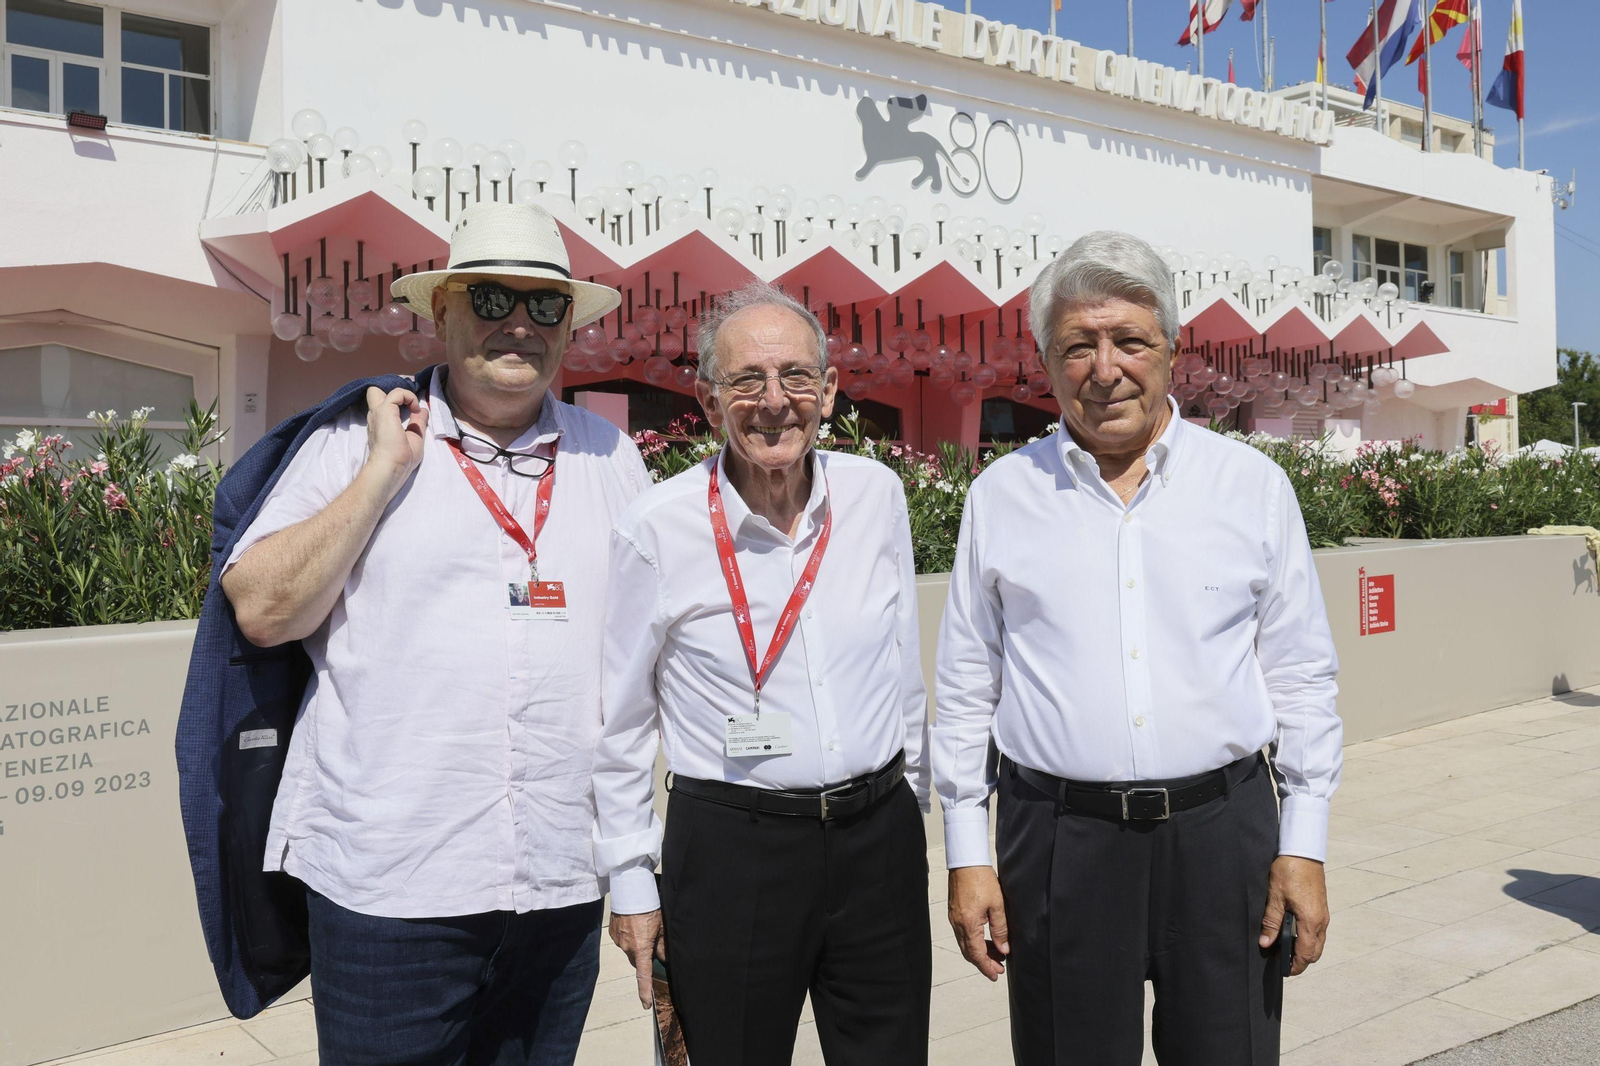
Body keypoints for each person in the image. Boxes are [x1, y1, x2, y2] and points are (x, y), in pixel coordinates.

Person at [217, 202, 647, 1065]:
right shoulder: (358, 440)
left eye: (544, 305)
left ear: (569, 325)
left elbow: (650, 660)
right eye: (490, 300)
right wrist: (382, 475)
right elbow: (262, 608)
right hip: (391, 891)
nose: (518, 324)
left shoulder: (613, 459)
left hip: (558, 888)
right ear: (441, 311)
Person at [933, 230, 1343, 1066]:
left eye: (1129, 341)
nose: (1105, 367)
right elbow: (967, 685)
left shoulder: (1250, 487)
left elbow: (1302, 677)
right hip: (1058, 843)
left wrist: (1303, 841)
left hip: (1222, 836)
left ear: (1172, 349)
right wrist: (968, 855)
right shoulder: (1002, 497)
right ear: (1047, 362)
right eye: (1077, 346)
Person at [593, 280, 932, 1066]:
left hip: (874, 837)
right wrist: (632, 881)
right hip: (732, 853)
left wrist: (908, 809)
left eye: (796, 377)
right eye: (747, 381)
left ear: (830, 391)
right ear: (710, 403)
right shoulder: (658, 528)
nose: (774, 402)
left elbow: (901, 669)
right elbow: (621, 723)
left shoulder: (875, 496)